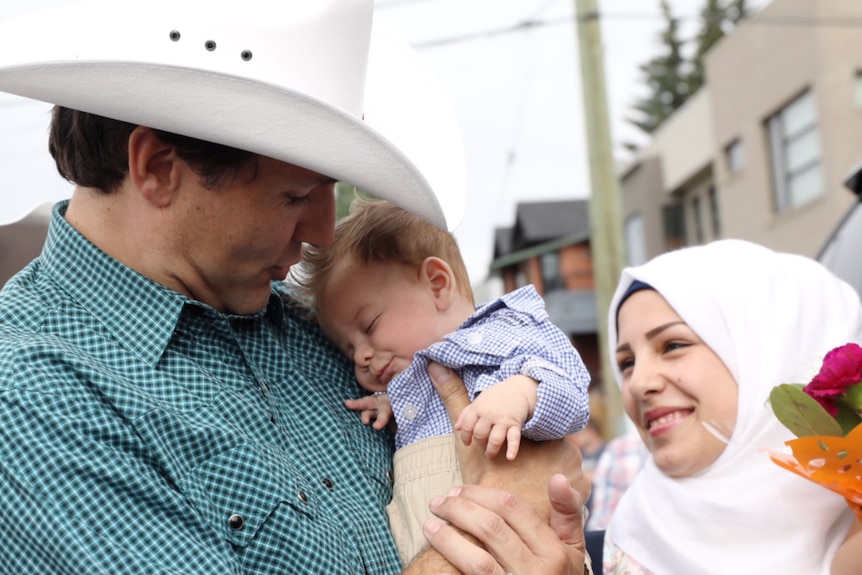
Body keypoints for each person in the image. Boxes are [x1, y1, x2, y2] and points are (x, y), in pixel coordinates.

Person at [0, 1, 590, 574]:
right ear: (157, 168)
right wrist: (505, 530)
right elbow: (512, 499)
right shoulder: (30, 398)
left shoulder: (320, 328)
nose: (323, 233)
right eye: (296, 196)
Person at [293, 197, 592, 565]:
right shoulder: (414, 379)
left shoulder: (498, 332)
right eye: (347, 347)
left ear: (437, 284)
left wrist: (520, 393)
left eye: (369, 326)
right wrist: (393, 402)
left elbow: (571, 387)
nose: (360, 356)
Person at [604, 239, 861, 575]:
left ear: (772, 352)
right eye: (626, 363)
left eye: (673, 345)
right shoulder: (594, 556)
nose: (638, 383)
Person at [583, 430, 646, 532]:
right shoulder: (618, 450)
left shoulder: (613, 450)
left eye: (580, 432)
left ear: (592, 432)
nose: (575, 436)